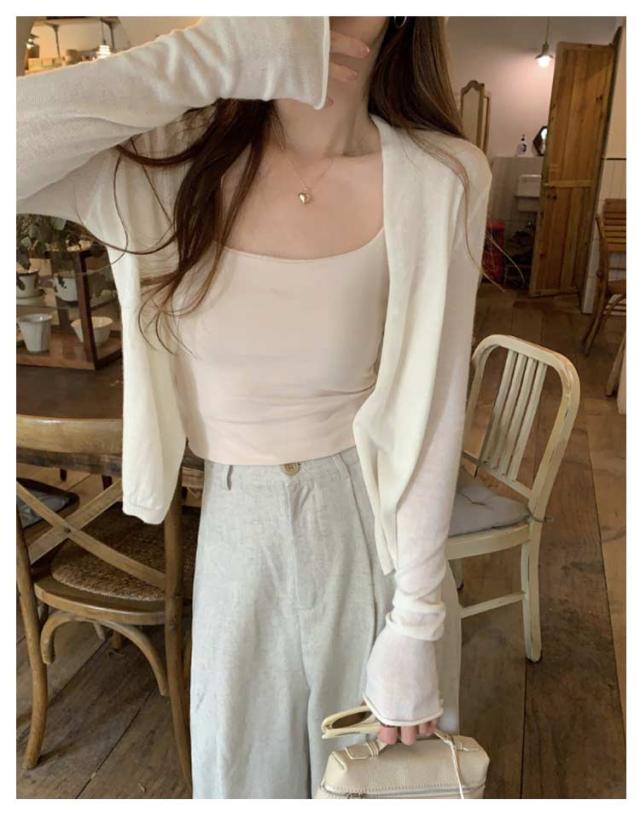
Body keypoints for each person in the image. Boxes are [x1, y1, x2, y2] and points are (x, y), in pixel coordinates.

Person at [17, 16, 492, 798]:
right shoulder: (167, 166)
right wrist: (219, 56)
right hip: (235, 526)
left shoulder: (440, 175)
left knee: (375, 788)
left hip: (368, 530)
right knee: (240, 781)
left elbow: (436, 408)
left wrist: (416, 618)